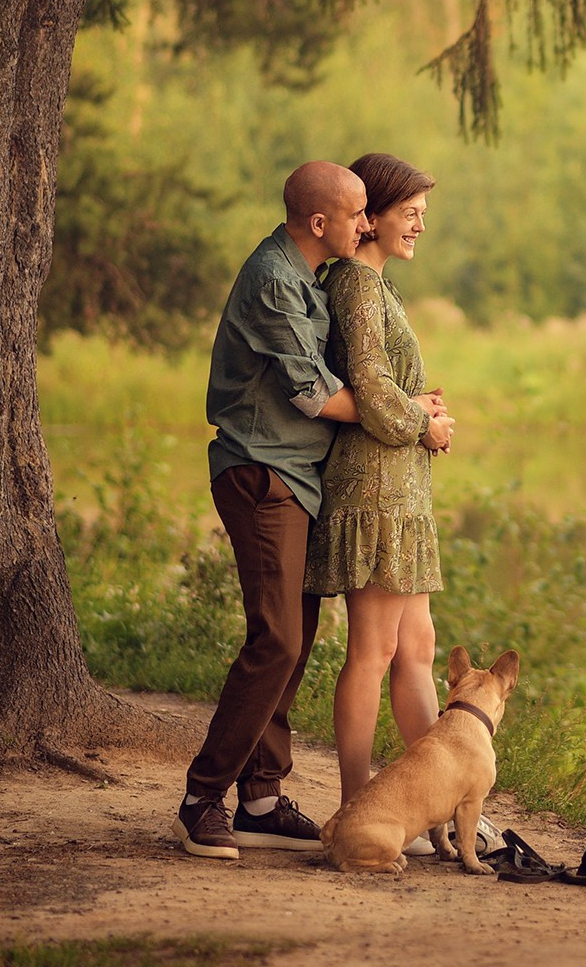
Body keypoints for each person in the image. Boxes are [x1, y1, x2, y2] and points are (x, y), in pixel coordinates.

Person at [174, 160, 445, 860]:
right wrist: (413, 416)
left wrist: (405, 408)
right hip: (262, 470)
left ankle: (261, 797)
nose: (366, 223)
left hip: (298, 476)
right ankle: (201, 799)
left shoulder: (310, 276)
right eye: (358, 214)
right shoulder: (275, 279)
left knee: (294, 637)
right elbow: (315, 394)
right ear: (321, 222)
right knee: (279, 641)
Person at [308, 153, 457, 808]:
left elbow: (385, 383)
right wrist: (423, 424)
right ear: (371, 215)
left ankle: (436, 801)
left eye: (423, 214)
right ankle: (356, 804)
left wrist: (423, 408)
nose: (420, 225)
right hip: (373, 488)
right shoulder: (356, 284)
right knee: (373, 650)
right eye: (411, 213)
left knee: (417, 645)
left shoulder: (380, 285)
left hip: (403, 489)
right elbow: (367, 384)